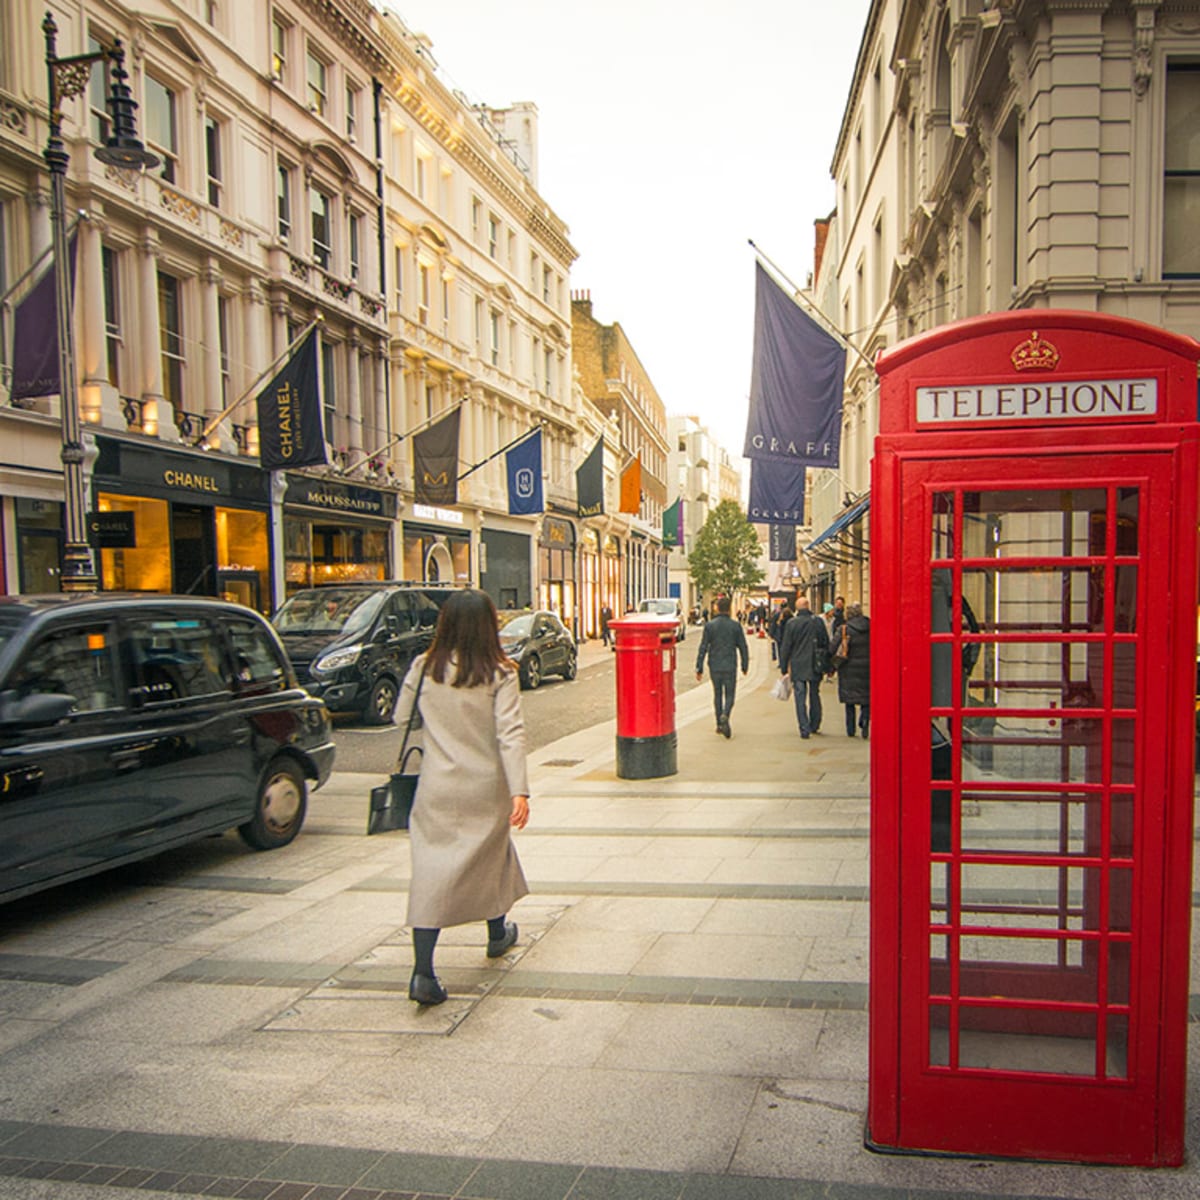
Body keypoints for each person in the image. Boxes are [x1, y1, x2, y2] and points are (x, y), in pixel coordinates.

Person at [392, 589, 531, 1006]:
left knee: (431, 871)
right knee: (491, 853)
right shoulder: (500, 672)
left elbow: (401, 717)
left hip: (435, 786)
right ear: (488, 625)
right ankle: (496, 933)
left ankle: (423, 971)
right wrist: (519, 789)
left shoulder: (424, 666)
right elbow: (510, 733)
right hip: (484, 786)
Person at [694, 595, 750, 738]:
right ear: (730, 609)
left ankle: (719, 723)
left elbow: (703, 647)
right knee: (730, 694)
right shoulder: (735, 626)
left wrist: (699, 667)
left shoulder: (710, 626)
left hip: (715, 664)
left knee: (717, 694)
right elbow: (743, 647)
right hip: (730, 664)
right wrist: (745, 665)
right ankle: (726, 714)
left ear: (717, 608)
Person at [778, 595, 830, 739]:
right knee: (815, 694)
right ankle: (815, 724)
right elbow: (825, 642)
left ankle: (804, 728)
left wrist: (783, 667)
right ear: (808, 607)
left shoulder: (792, 623)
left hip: (798, 664)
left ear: (797, 608)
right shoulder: (818, 622)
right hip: (815, 664)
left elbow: (786, 646)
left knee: (800, 696)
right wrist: (828, 665)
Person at [835, 602, 871, 737]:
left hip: (848, 668)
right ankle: (865, 720)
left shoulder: (844, 629)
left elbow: (833, 647)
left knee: (849, 700)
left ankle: (850, 729)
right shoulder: (871, 626)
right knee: (866, 697)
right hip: (868, 667)